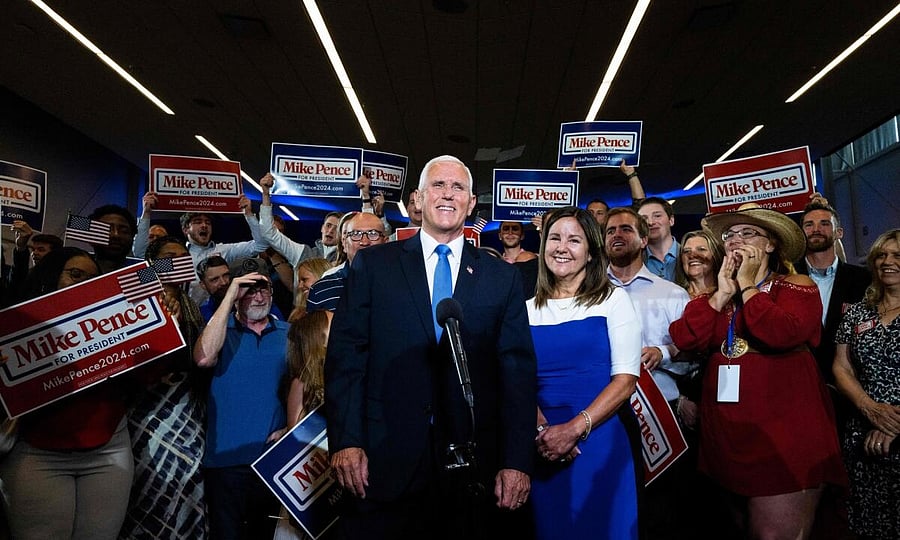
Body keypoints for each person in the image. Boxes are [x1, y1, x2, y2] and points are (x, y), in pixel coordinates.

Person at [325, 155, 537, 539]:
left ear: (472, 204)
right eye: (438, 185)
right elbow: (346, 359)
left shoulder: (501, 278)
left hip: (471, 468)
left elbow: (517, 376)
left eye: (459, 188)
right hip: (383, 460)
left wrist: (516, 461)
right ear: (418, 199)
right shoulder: (374, 266)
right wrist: (347, 440)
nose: (448, 195)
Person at [669, 203, 846, 539]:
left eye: (748, 232)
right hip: (727, 439)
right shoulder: (714, 296)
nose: (735, 239)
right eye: (730, 234)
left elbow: (782, 333)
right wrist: (722, 294)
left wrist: (749, 287)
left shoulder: (795, 285)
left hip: (784, 437)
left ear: (770, 244)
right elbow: (685, 338)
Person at [0, 247, 134, 539]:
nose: (85, 282)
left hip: (108, 448)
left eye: (93, 278)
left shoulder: (117, 319)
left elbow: (148, 372)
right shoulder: (13, 321)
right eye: (75, 274)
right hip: (36, 452)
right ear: (51, 274)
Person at [527, 206, 641, 539]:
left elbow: (626, 380)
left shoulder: (613, 300)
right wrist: (545, 431)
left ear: (591, 252)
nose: (562, 247)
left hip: (599, 442)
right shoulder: (525, 309)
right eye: (555, 238)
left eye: (574, 240)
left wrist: (575, 429)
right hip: (543, 446)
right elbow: (516, 380)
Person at [193, 257, 289, 539]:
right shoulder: (219, 333)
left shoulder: (290, 334)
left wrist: (292, 427)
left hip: (273, 462)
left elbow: (309, 388)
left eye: (265, 289)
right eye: (250, 289)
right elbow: (203, 358)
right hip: (226, 463)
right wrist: (230, 296)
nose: (259, 296)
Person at [120, 236, 208, 539]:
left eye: (183, 257)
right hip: (143, 410)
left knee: (187, 479)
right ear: (152, 262)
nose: (177, 261)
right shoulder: (133, 295)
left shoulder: (192, 306)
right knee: (147, 484)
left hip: (185, 408)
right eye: (169, 256)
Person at [832, 228, 900, 539]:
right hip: (860, 435)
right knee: (866, 524)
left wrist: (891, 423)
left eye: (898, 256)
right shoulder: (857, 312)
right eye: (882, 255)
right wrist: (870, 409)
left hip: (895, 426)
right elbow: (841, 366)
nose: (888, 261)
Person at [796, 200, 871, 383]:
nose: (816, 229)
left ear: (839, 232)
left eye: (824, 223)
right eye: (809, 224)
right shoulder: (786, 277)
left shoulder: (864, 279)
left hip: (851, 385)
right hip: (800, 381)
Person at [180, 196, 269, 305]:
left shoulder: (224, 250)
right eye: (198, 222)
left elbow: (261, 245)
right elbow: (153, 276)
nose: (204, 225)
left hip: (222, 312)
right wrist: (151, 216)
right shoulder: (176, 255)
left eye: (208, 222)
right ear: (185, 230)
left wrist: (249, 214)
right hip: (189, 318)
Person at [305, 212, 386, 316]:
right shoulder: (320, 289)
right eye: (356, 234)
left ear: (385, 241)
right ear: (344, 243)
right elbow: (313, 332)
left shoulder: (401, 284)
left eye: (373, 234)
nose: (364, 242)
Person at [88, 204, 141, 273]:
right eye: (106, 230)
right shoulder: (78, 270)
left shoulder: (142, 272)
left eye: (124, 231)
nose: (116, 235)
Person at [637, 197, 679, 281]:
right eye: (644, 219)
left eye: (657, 216)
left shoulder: (688, 255)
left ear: (671, 220)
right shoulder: (634, 262)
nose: (650, 222)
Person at [197, 255, 232, 321]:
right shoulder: (203, 314)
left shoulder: (250, 300)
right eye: (215, 279)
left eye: (226, 275)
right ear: (203, 285)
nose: (223, 282)